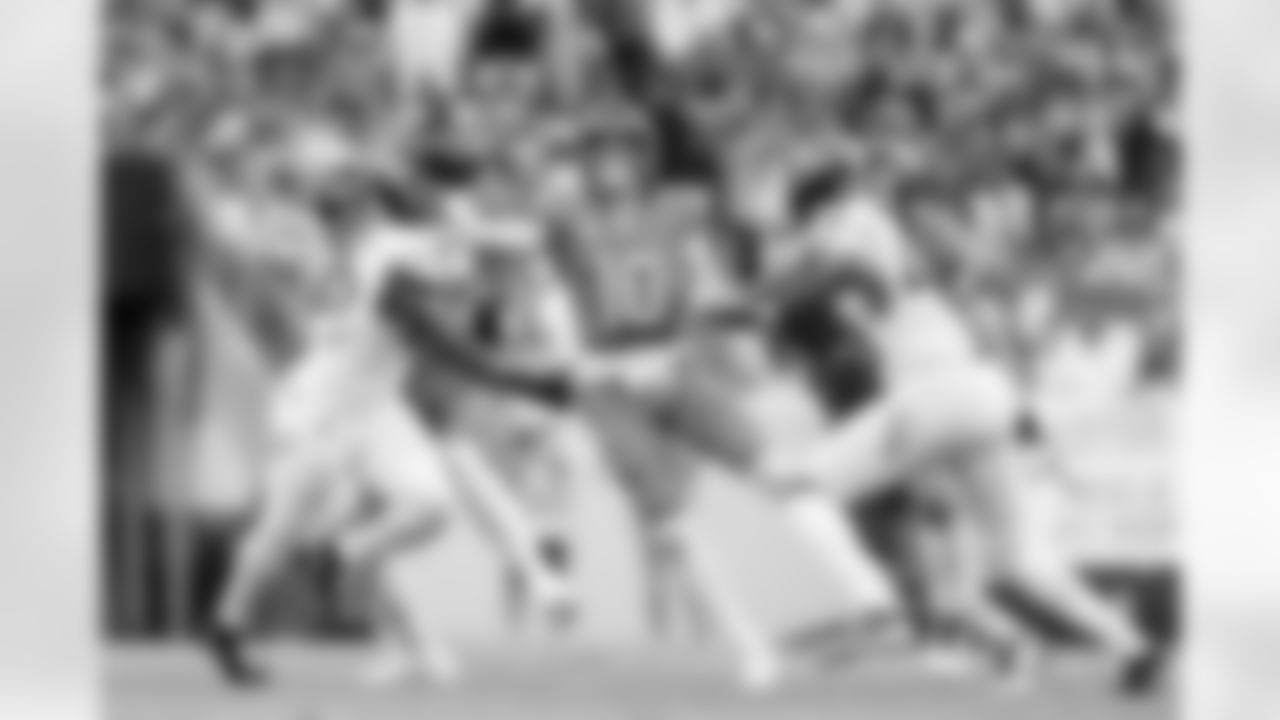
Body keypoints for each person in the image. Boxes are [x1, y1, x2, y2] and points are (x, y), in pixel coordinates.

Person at [756, 181, 1153, 687]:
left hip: (928, 397)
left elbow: (855, 275)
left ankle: (875, 607)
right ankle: (1131, 646)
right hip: (981, 393)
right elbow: (900, 286)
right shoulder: (896, 243)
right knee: (1016, 560)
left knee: (800, 489)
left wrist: (782, 296)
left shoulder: (850, 224)